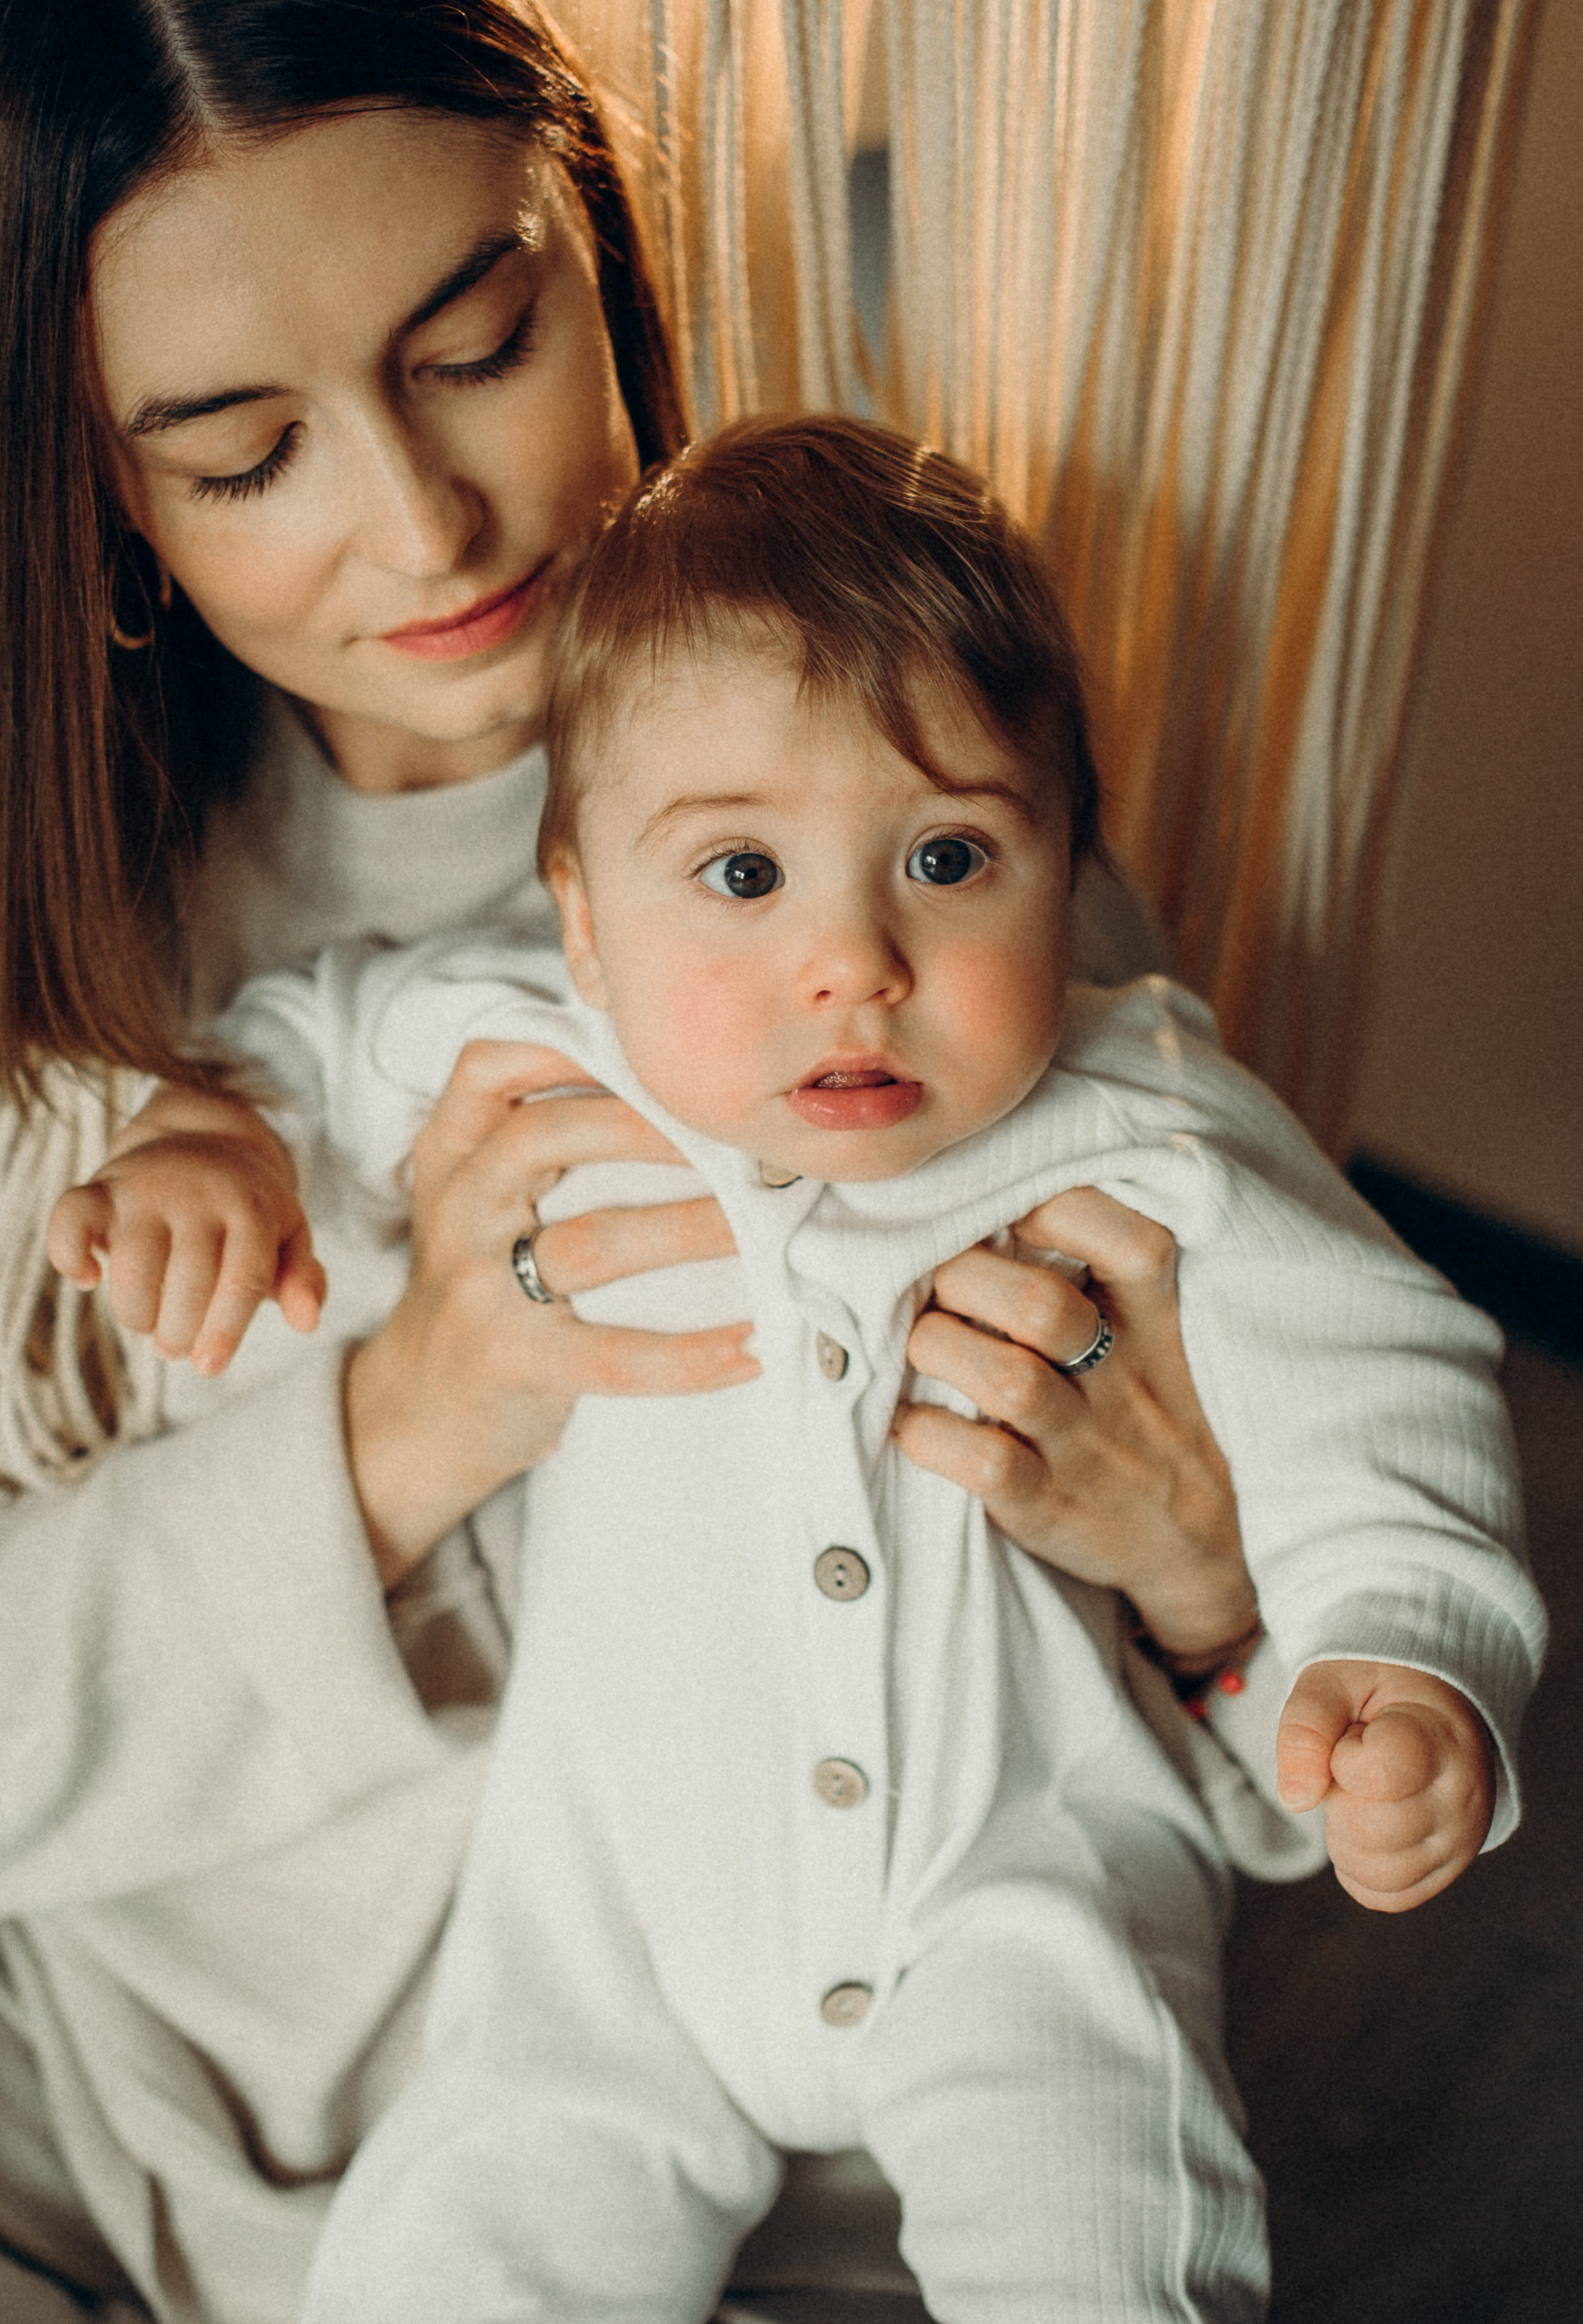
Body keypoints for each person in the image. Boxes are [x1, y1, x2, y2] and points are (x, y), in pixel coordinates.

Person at [0, 7, 1313, 2320]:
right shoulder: (89, 957)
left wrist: (1204, 1586)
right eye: (240, 452)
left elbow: (1256, 1782)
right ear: (102, 481)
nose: (423, 527)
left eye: (482, 345)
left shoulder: (907, 832)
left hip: (808, 2127)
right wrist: (413, 1417)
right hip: (143, 2095)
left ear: (600, 256)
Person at [59, 418, 1542, 2323]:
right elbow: (310, 1043)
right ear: (583, 915)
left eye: (945, 858)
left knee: (1106, 2243)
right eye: (741, 874)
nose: (851, 960)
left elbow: (1380, 1365)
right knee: (461, 2240)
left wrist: (1406, 1640)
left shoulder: (1141, 1108)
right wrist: (216, 1146)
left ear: (1064, 870)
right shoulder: (538, 1032)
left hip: (1027, 1890)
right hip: (608, 1925)